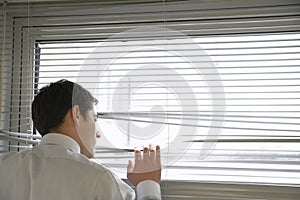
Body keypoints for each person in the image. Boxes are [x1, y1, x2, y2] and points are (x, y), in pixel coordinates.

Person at [0, 79, 161, 200]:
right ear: (76, 114)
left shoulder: (4, 166)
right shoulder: (99, 179)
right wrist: (148, 184)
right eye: (95, 119)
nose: (98, 134)